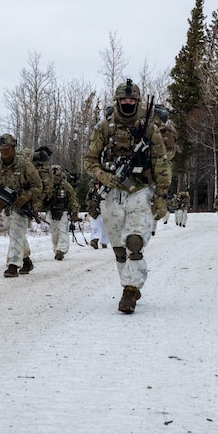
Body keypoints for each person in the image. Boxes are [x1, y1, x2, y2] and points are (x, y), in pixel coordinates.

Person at [83, 79, 170, 314]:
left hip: (140, 190)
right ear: (118, 101)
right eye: (124, 100)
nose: (128, 103)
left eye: (132, 100)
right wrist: (104, 177)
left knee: (134, 241)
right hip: (112, 192)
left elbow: (162, 163)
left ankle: (130, 289)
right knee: (119, 248)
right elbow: (89, 160)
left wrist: (161, 196)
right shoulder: (104, 128)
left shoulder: (149, 129)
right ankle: (128, 282)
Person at [0, 134, 43, 278]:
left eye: (7, 148)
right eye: (1, 148)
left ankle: (13, 265)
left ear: (13, 147)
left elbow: (38, 185)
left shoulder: (24, 165)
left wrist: (26, 196)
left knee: (16, 232)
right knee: (14, 234)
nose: (4, 152)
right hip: (7, 208)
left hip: (22, 207)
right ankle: (26, 260)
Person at [44, 164, 80, 260]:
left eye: (57, 175)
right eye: (53, 175)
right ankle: (56, 249)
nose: (55, 177)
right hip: (51, 212)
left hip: (63, 212)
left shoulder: (66, 186)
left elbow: (73, 199)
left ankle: (61, 250)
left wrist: (75, 212)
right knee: (54, 232)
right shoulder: (47, 185)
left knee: (62, 231)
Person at [86, 182, 109, 249]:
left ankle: (104, 242)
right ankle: (94, 240)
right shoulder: (92, 191)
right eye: (96, 184)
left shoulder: (106, 190)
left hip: (104, 210)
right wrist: (91, 204)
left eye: (98, 184)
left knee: (104, 226)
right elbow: (87, 199)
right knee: (95, 226)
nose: (97, 186)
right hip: (94, 211)